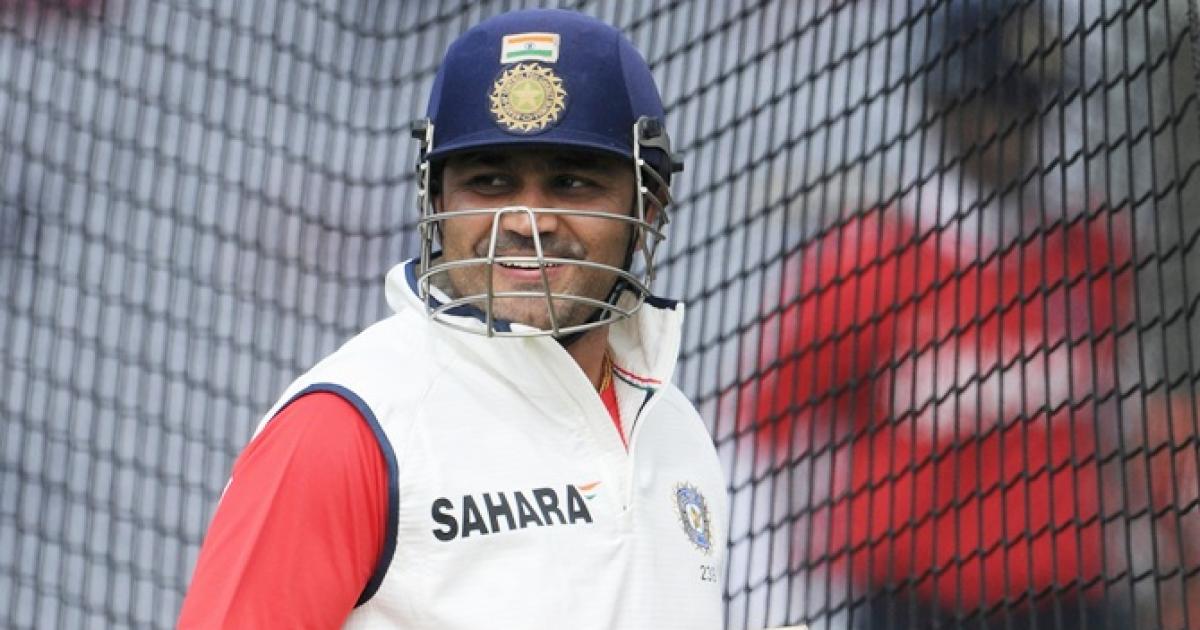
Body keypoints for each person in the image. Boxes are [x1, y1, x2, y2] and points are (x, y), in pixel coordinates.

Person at [178, 9, 727, 629]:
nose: (527, 222)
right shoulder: (346, 427)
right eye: (489, 182)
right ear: (435, 199)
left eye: (572, 182)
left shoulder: (675, 430)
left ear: (649, 206)